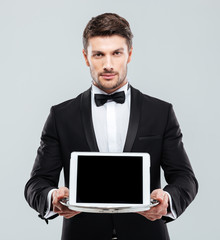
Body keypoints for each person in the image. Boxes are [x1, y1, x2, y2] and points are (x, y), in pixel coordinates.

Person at [25, 13, 198, 240]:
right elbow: (36, 184)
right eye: (98, 54)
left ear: (129, 54)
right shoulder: (61, 116)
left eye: (116, 53)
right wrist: (53, 198)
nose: (108, 65)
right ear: (86, 57)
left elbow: (185, 178)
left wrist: (167, 200)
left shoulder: (160, 112)